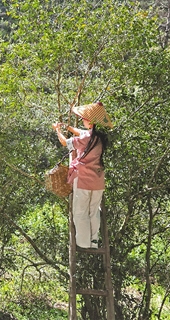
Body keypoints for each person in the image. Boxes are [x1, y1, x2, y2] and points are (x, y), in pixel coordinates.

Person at [52, 102, 113, 249]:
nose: (83, 120)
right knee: (94, 211)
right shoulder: (99, 137)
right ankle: (94, 241)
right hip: (98, 181)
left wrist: (57, 130)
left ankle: (84, 243)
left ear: (90, 121)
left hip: (83, 180)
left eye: (84, 118)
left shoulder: (86, 139)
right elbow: (80, 131)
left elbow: (64, 142)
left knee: (80, 212)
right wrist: (68, 127)